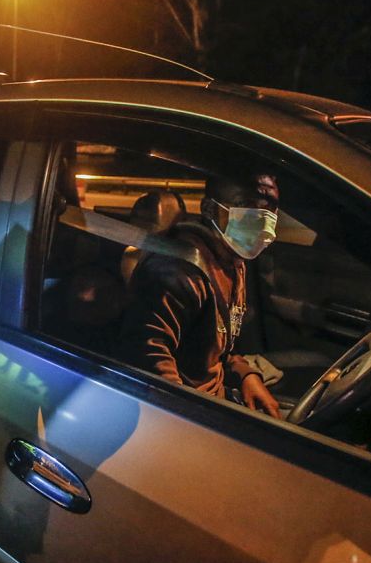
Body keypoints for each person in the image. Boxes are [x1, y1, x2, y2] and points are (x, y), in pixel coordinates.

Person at [117, 172, 283, 418]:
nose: (260, 218)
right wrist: (195, 423)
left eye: (268, 208)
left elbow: (216, 348)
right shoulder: (177, 272)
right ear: (209, 209)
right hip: (189, 414)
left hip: (214, 398)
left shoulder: (232, 261)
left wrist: (245, 374)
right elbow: (150, 365)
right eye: (246, 205)